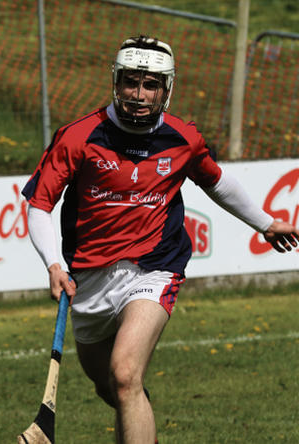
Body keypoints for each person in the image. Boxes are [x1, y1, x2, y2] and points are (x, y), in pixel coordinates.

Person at [21, 35, 299, 444]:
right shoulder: (78, 137)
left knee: (125, 374)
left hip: (154, 268)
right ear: (115, 83)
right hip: (89, 280)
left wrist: (264, 223)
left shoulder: (182, 138)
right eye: (130, 82)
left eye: (151, 85)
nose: (138, 95)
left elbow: (216, 182)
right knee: (111, 388)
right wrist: (53, 264)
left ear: (168, 89)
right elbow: (40, 205)